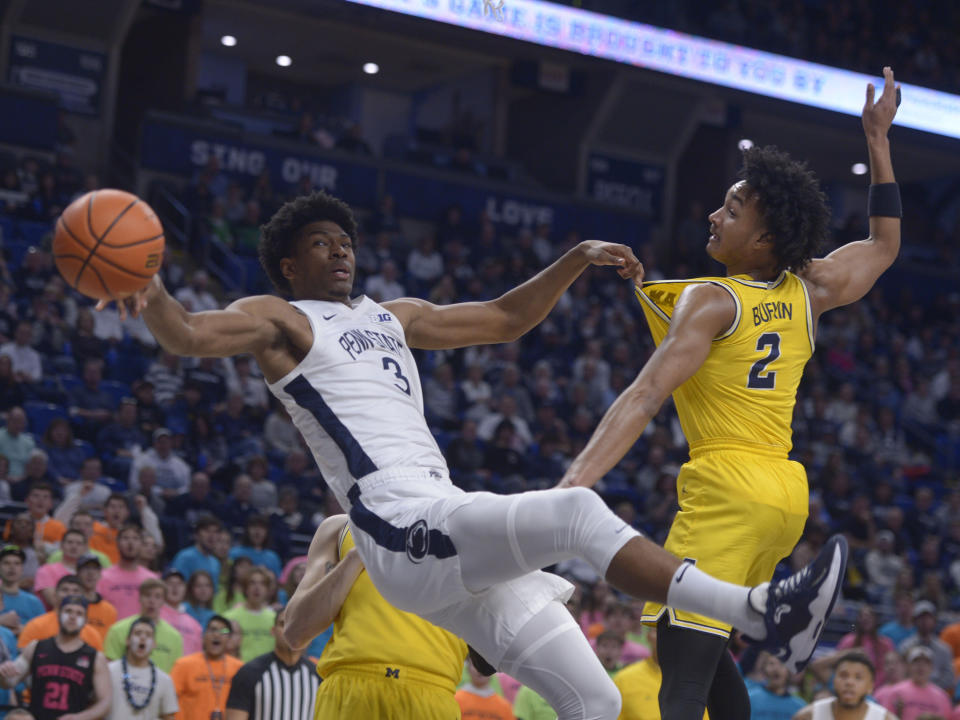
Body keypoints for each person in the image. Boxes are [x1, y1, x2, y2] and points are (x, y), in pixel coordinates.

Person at [106, 181, 847, 720]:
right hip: (394, 519)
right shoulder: (280, 319)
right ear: (289, 266)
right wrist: (148, 283)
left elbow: (503, 318)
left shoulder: (391, 316)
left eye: (345, 241)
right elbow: (189, 336)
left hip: (443, 517)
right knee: (576, 512)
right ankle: (755, 611)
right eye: (319, 244)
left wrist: (573, 258)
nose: (339, 251)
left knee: (593, 700)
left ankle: (756, 611)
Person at [557, 69, 902, 719]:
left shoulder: (712, 299)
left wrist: (575, 480)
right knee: (714, 665)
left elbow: (644, 395)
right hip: (783, 497)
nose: (715, 215)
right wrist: (878, 140)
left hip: (727, 485)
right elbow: (885, 244)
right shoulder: (812, 288)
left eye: (733, 211)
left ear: (765, 238)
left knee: (679, 671)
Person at [286, 514, 467, 718]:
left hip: (433, 689)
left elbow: (487, 660)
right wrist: (356, 556)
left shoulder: (467, 527)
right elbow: (295, 632)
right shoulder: (340, 527)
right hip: (351, 686)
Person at [0, 594, 112, 720]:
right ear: (58, 614)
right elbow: (9, 682)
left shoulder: (95, 657)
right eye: (68, 611)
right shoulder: (36, 647)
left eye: (79, 613)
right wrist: (4, 673)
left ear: (86, 620)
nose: (72, 617)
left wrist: (80, 717)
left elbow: (105, 703)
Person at [224, 610, 320, 720]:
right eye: (283, 624)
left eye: (297, 624)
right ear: (273, 631)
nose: (290, 629)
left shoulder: (318, 677)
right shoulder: (248, 673)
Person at [170, 614, 244, 720]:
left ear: (229, 639)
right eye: (212, 630)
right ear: (203, 636)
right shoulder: (183, 665)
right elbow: (168, 703)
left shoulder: (239, 669)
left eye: (223, 632)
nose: (217, 635)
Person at [104, 579, 183, 673]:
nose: (152, 601)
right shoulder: (118, 630)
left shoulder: (175, 637)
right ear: (140, 598)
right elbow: (110, 667)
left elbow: (176, 672)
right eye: (147, 595)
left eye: (157, 597)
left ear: (163, 601)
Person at [106, 616, 178, 720]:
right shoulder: (109, 671)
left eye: (148, 635)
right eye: (138, 633)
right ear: (127, 640)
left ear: (154, 644)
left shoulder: (164, 680)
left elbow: (168, 716)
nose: (143, 638)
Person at [791, 651, 894, 720]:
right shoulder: (808, 716)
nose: (849, 682)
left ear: (870, 686)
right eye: (843, 675)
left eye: (858, 677)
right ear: (834, 681)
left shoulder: (884, 718)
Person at [19, 575, 104, 650]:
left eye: (75, 591)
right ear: (55, 595)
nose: (70, 594)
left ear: (83, 596)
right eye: (65, 590)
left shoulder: (92, 634)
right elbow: (23, 654)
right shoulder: (36, 625)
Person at [97, 525, 159, 619]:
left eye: (135, 538)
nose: (130, 542)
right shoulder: (102, 576)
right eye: (125, 538)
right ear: (117, 543)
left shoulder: (152, 579)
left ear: (141, 545)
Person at [873, 646, 950, 720]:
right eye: (916, 662)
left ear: (932, 667)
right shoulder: (896, 692)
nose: (921, 666)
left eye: (925, 663)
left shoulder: (942, 697)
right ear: (908, 666)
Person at [223, 566, 276, 662]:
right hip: (239, 670)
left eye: (262, 583)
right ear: (245, 588)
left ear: (268, 589)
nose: (257, 587)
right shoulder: (229, 617)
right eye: (252, 583)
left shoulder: (275, 619)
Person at [747, 652, 806, 719]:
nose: (776, 668)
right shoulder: (750, 699)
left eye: (781, 664)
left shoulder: (800, 707)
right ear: (764, 668)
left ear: (788, 671)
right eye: (771, 664)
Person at [0, 545, 45, 632]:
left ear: (22, 569)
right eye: (6, 563)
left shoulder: (33, 602)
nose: (12, 567)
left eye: (17, 563)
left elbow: (43, 631)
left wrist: (23, 630)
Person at [76, 553, 118, 642]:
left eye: (95, 569)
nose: (90, 573)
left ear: (100, 574)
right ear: (77, 573)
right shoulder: (71, 606)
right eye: (86, 568)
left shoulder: (109, 610)